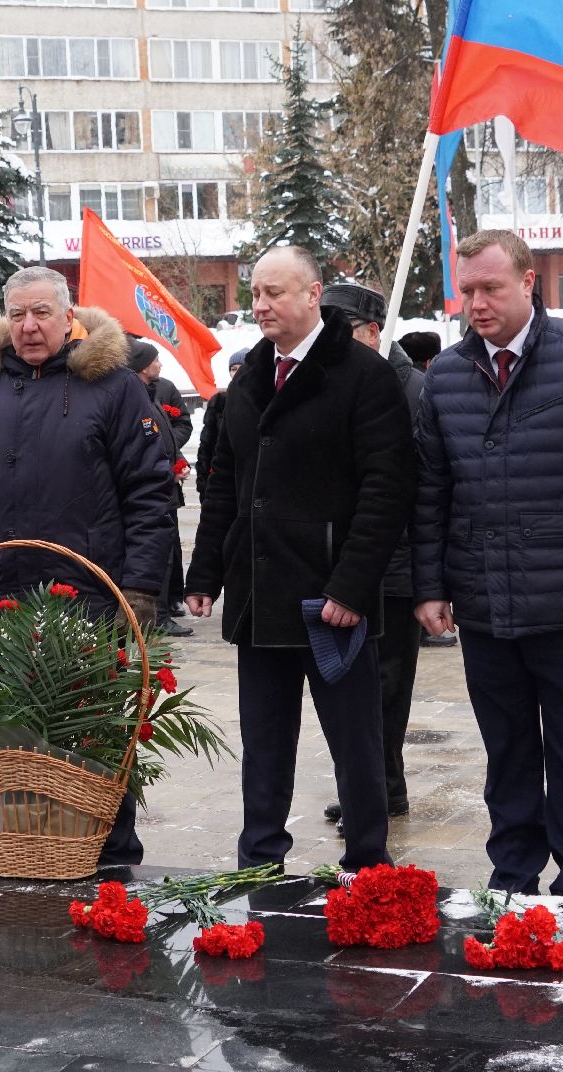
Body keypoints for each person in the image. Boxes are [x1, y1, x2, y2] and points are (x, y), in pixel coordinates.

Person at [412, 229, 563, 897]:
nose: (477, 304)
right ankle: (512, 876)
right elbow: (430, 490)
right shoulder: (449, 377)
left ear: (528, 284)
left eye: (490, 288)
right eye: (466, 291)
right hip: (482, 602)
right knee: (507, 750)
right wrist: (429, 586)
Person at [185, 246, 414, 873]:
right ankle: (260, 857)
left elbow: (386, 490)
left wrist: (352, 586)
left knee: (355, 742)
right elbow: (224, 485)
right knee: (263, 742)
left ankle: (368, 862)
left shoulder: (363, 376)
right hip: (260, 593)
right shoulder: (249, 379)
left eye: (275, 293)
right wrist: (206, 571)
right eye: (256, 293)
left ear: (313, 295)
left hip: (331, 600)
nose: (260, 305)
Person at [0, 265, 174, 865]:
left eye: (41, 312)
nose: (28, 325)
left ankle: (112, 855)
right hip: (3, 597)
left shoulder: (115, 388)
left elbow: (150, 494)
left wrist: (143, 586)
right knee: (11, 735)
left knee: (92, 734)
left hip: (87, 595)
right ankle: (29, 852)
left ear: (68, 315)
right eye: (17, 314)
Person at [318, 281, 424, 835]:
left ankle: (383, 789)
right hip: (351, 563)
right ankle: (371, 786)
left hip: (397, 564)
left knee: (386, 685)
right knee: (355, 686)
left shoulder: (409, 388)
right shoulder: (341, 380)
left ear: (371, 332)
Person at [127, 338, 195, 637]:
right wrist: (166, 471)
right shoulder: (139, 399)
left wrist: (176, 462)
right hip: (155, 491)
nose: (160, 365)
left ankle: (164, 610)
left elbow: (167, 437)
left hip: (165, 489)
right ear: (144, 366)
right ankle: (160, 615)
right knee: (161, 555)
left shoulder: (152, 395)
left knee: (168, 553)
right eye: (155, 360)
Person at [194, 348, 245, 504]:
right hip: (223, 477)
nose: (236, 372)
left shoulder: (264, 398)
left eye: (241, 368)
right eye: (233, 369)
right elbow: (206, 446)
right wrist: (203, 482)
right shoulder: (219, 401)